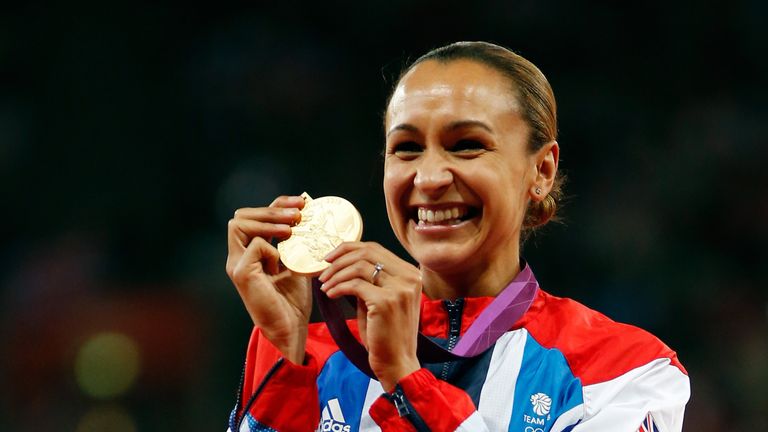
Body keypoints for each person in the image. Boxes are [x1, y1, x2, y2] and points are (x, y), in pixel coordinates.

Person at [225, 41, 690, 432]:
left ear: (542, 170)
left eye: (466, 144)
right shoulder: (316, 361)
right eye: (406, 148)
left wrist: (409, 383)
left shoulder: (626, 371)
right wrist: (282, 349)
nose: (428, 177)